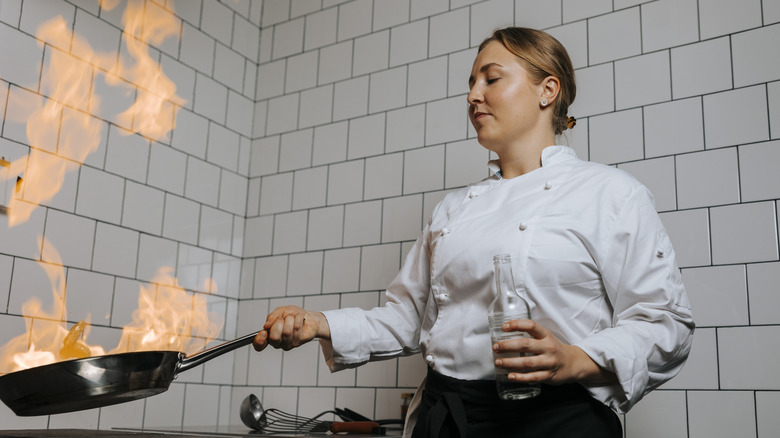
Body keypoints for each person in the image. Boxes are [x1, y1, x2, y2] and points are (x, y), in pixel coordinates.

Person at [253, 27, 694, 438]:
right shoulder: (452, 209)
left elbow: (666, 324)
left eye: (491, 79)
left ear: (548, 90)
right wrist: (319, 324)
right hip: (446, 418)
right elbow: (406, 321)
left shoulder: (610, 194)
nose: (472, 95)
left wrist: (575, 360)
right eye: (471, 82)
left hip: (556, 420)